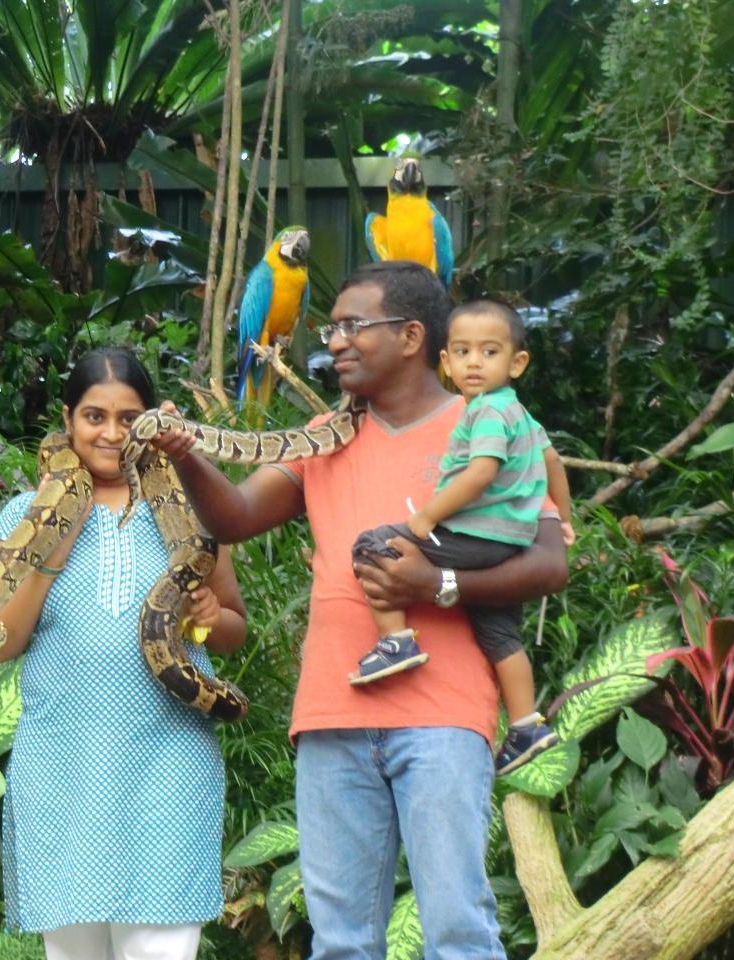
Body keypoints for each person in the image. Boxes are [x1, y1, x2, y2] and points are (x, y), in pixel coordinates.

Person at [152, 261, 568, 960]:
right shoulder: (325, 434)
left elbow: (550, 562)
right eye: (332, 328)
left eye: (353, 325)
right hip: (332, 715)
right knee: (341, 941)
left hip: (442, 715)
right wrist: (186, 453)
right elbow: (234, 517)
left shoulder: (490, 421)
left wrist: (435, 584)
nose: (335, 341)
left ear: (411, 336)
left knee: (458, 932)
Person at [0, 346, 248, 960]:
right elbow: (1, 644)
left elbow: (234, 627)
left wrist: (210, 619)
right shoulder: (23, 516)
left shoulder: (191, 512)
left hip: (168, 768)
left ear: (150, 422)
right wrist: (55, 542)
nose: (110, 433)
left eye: (128, 418)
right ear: (68, 421)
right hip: (63, 769)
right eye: (93, 417)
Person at [348, 299, 575, 775]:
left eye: (490, 352)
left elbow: (480, 473)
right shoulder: (520, 414)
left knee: (374, 543)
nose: (475, 363)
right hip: (511, 543)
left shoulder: (486, 412)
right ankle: (526, 726)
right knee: (500, 633)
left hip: (473, 534)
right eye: (463, 352)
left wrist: (427, 516)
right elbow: (553, 462)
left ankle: (395, 641)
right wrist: (565, 519)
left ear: (517, 363)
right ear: (446, 363)